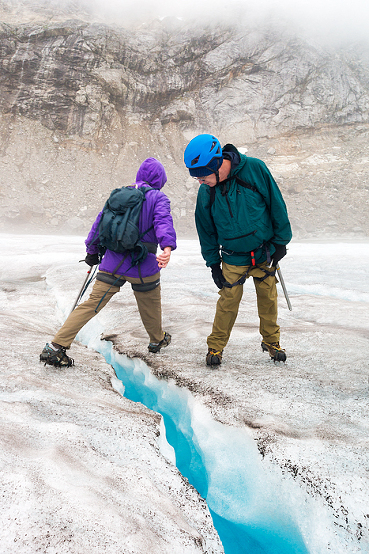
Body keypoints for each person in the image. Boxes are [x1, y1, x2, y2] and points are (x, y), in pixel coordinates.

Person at [40, 157, 177, 368]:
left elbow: (100, 222)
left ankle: (57, 346)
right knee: (150, 305)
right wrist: (167, 247)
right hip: (143, 265)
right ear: (160, 179)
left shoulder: (119, 195)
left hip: (112, 262)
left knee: (90, 305)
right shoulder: (158, 198)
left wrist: (91, 251)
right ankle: (157, 340)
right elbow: (163, 222)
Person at [184, 134, 292, 365]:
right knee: (228, 301)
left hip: (264, 252)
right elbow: (206, 230)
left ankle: (271, 342)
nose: (200, 182)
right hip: (233, 257)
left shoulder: (254, 169)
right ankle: (215, 347)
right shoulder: (206, 192)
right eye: (197, 178)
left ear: (215, 164)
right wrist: (213, 263)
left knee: (268, 299)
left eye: (202, 176)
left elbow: (276, 203)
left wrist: (281, 242)